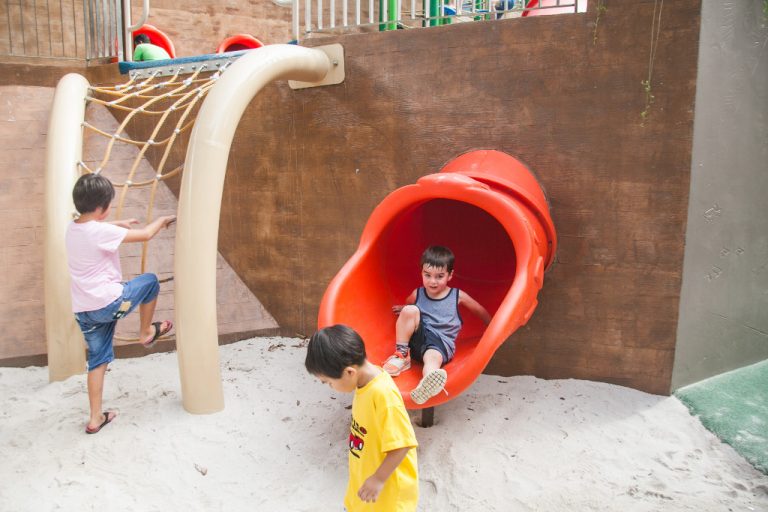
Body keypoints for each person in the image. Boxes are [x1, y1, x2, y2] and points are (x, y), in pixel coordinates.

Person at [65, 173, 176, 434]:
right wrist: (161, 220)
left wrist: (118, 223)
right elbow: (146, 234)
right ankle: (146, 332)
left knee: (98, 361)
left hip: (85, 311)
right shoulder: (101, 231)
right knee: (149, 282)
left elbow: (91, 229)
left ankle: (95, 419)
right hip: (109, 303)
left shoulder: (73, 227)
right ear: (103, 208)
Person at [305, 324, 419, 511]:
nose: (330, 387)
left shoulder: (383, 394)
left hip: (388, 493)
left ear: (350, 372)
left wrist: (378, 479)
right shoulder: (363, 380)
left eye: (329, 382)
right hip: (366, 475)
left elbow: (403, 444)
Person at [383, 245, 491, 405]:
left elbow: (480, 311)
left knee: (432, 359)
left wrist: (493, 330)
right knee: (410, 309)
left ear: (450, 275)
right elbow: (407, 307)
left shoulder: (457, 296)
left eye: (439, 276)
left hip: (440, 344)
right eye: (427, 275)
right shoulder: (417, 293)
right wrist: (404, 310)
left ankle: (428, 381)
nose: (432, 281)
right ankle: (402, 355)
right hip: (417, 341)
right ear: (422, 273)